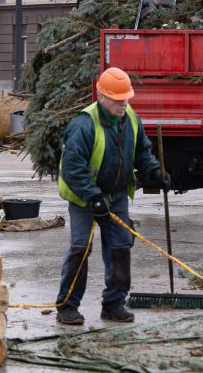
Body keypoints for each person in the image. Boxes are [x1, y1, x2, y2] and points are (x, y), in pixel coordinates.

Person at [54, 66, 169, 325]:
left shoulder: (130, 117)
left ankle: (114, 304)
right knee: (80, 248)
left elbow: (143, 152)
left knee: (120, 246)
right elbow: (73, 169)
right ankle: (67, 306)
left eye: (126, 98)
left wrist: (153, 170)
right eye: (118, 100)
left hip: (115, 194)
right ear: (102, 97)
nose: (123, 103)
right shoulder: (84, 125)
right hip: (84, 196)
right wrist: (93, 197)